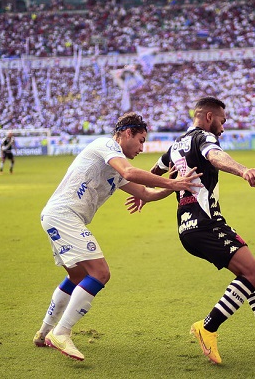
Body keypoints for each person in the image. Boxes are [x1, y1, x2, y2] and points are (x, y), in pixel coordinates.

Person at [33, 112, 202, 361]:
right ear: (126, 133)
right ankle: (62, 332)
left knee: (77, 275)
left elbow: (145, 192)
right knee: (100, 273)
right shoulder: (106, 145)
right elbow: (132, 173)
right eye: (141, 140)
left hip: (59, 217)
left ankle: (44, 332)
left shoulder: (116, 167)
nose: (142, 148)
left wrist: (175, 180)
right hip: (64, 216)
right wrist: (172, 185)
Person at [131, 97, 255, 365]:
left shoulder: (175, 146)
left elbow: (155, 171)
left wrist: (146, 194)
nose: (223, 127)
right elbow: (215, 156)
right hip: (207, 223)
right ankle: (208, 327)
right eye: (222, 121)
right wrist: (243, 170)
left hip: (188, 228)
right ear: (209, 117)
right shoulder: (203, 138)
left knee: (248, 273)